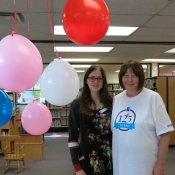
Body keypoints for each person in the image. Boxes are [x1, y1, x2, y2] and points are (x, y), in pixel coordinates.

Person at [111, 60, 174, 175]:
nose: (129, 80)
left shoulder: (153, 98)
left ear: (140, 78)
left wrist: (160, 165)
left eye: (134, 76)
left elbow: (165, 133)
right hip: (120, 165)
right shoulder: (117, 100)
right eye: (126, 75)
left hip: (144, 166)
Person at [68, 65, 113, 175]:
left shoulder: (112, 103)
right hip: (87, 160)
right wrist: (76, 166)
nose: (96, 81)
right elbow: (72, 138)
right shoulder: (77, 105)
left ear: (103, 81)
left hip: (110, 160)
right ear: (86, 81)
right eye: (92, 78)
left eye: (99, 78)